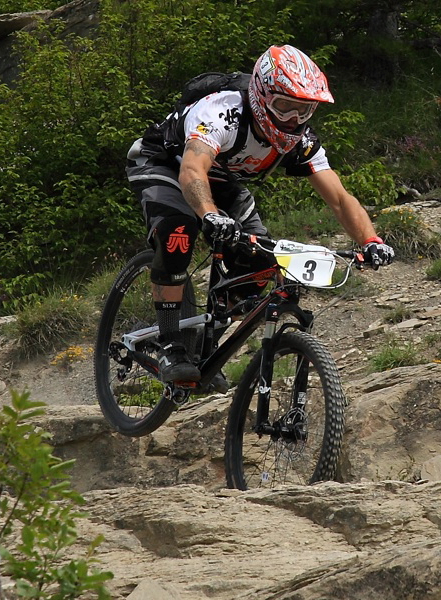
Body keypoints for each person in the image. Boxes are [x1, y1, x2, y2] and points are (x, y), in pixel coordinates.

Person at [125, 45, 396, 383]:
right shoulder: (222, 113)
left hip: (221, 181)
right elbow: (192, 170)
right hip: (163, 163)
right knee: (177, 233)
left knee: (260, 263)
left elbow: (340, 199)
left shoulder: (301, 140)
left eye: (304, 110)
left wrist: (370, 240)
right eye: (284, 107)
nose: (294, 119)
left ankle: (205, 349)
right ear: (261, 97)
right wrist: (209, 215)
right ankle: (169, 343)